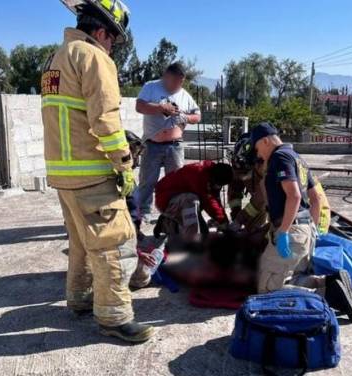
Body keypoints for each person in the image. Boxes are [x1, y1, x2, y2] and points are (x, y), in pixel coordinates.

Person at [41, 0, 154, 343]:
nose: (113, 48)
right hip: (91, 174)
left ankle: (79, 299)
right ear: (102, 31)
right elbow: (105, 119)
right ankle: (114, 318)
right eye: (114, 40)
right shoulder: (93, 57)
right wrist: (124, 165)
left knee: (81, 243)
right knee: (115, 245)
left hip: (64, 174)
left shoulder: (55, 60)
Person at [251, 123, 352, 321]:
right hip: (305, 229)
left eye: (257, 149)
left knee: (267, 289)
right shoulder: (298, 158)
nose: (258, 155)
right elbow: (315, 198)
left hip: (291, 230)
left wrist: (283, 231)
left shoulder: (279, 157)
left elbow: (294, 196)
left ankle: (327, 296)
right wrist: (313, 231)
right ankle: (328, 282)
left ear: (265, 141)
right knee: (293, 277)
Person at [135, 63, 202, 222]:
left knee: (175, 182)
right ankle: (143, 212)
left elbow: (197, 115)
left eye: (180, 83)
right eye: (174, 82)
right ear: (166, 76)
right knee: (147, 181)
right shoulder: (151, 87)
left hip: (175, 145)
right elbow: (139, 106)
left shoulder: (184, 94)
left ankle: (172, 213)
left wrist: (186, 117)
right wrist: (160, 107)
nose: (177, 86)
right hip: (152, 144)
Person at [154, 161, 233, 241]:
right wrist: (221, 222)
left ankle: (167, 224)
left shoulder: (212, 175)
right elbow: (208, 202)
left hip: (178, 200)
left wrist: (224, 221)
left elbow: (215, 201)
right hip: (165, 199)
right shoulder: (198, 174)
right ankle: (192, 241)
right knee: (192, 200)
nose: (219, 186)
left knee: (195, 212)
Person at [227, 133, 268, 232]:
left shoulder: (267, 167)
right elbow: (234, 192)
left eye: (244, 171)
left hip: (285, 213)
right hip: (259, 196)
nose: (240, 175)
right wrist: (235, 214)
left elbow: (260, 199)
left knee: (259, 234)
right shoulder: (239, 163)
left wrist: (240, 219)